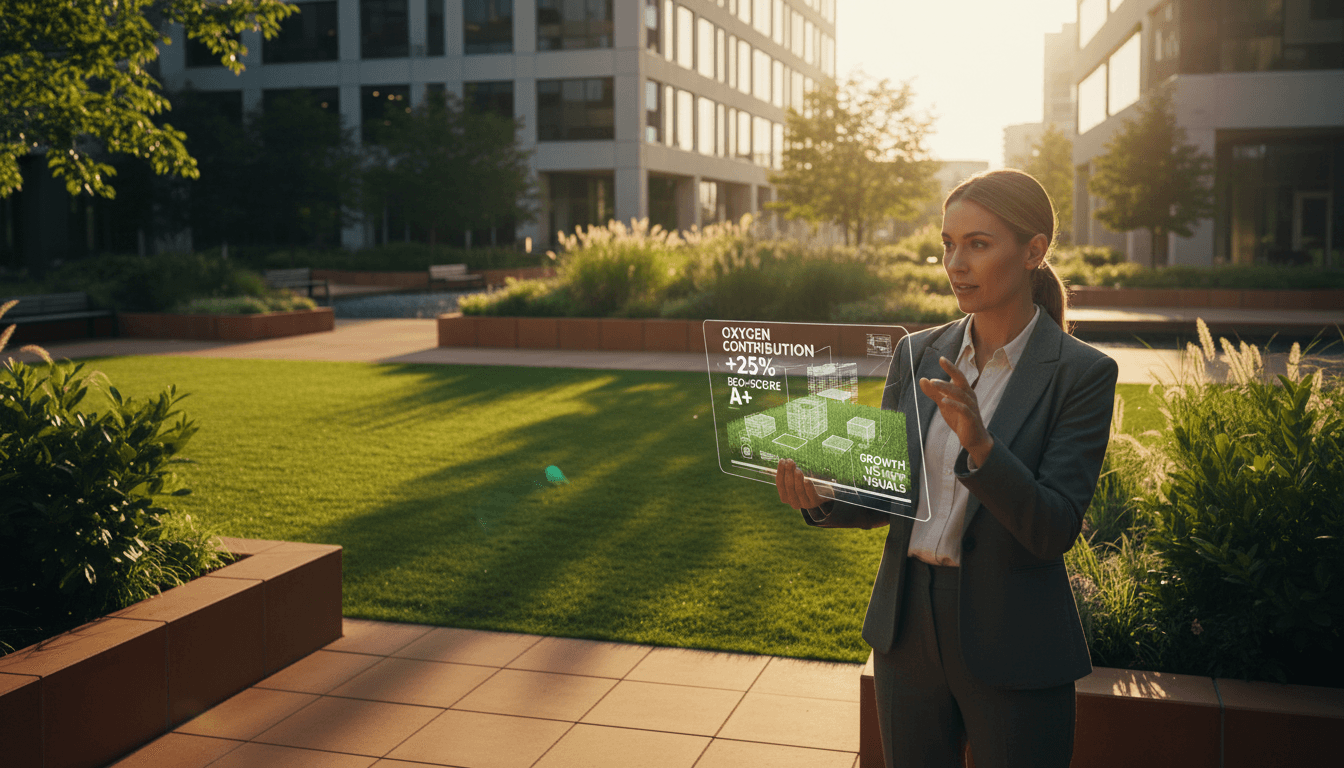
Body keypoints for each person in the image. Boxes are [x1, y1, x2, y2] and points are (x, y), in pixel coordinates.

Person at [776, 168, 1118, 768]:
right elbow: (888, 491)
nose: (955, 263)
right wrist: (823, 493)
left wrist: (983, 447)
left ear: (1034, 250)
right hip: (906, 628)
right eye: (947, 244)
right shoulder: (916, 353)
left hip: (1014, 637)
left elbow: (1054, 527)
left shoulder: (1081, 374)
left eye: (978, 244)